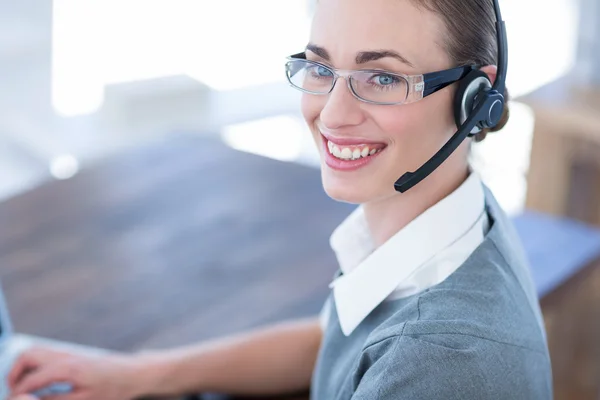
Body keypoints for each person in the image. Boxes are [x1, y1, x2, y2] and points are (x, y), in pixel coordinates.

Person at [9, 0, 553, 398]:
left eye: (382, 77)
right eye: (321, 68)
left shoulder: (440, 365)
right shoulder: (451, 223)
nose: (333, 113)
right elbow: (335, 341)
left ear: (475, 98)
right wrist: (146, 375)